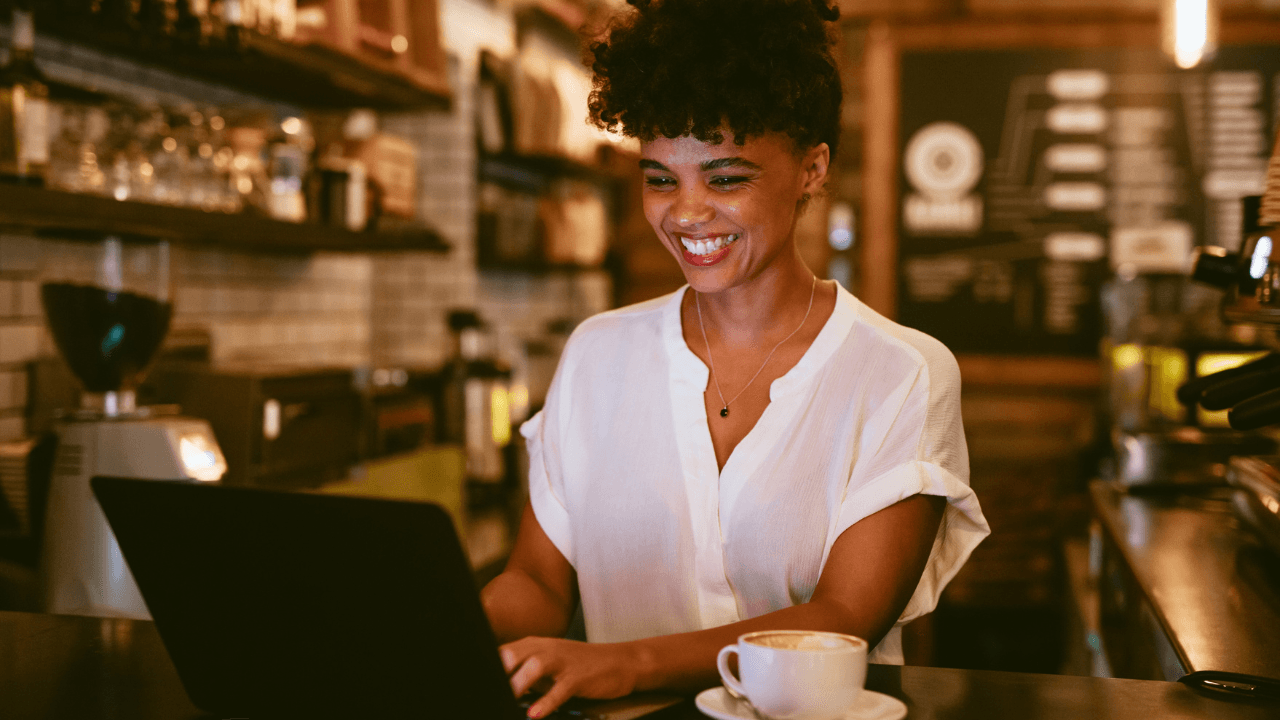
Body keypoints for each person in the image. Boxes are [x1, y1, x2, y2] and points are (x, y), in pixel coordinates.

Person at [480, 1, 989, 716]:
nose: (686, 213)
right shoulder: (597, 354)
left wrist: (624, 665)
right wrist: (440, 622)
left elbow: (844, 618)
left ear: (812, 169)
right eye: (661, 179)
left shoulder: (900, 373)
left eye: (725, 179)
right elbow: (536, 583)